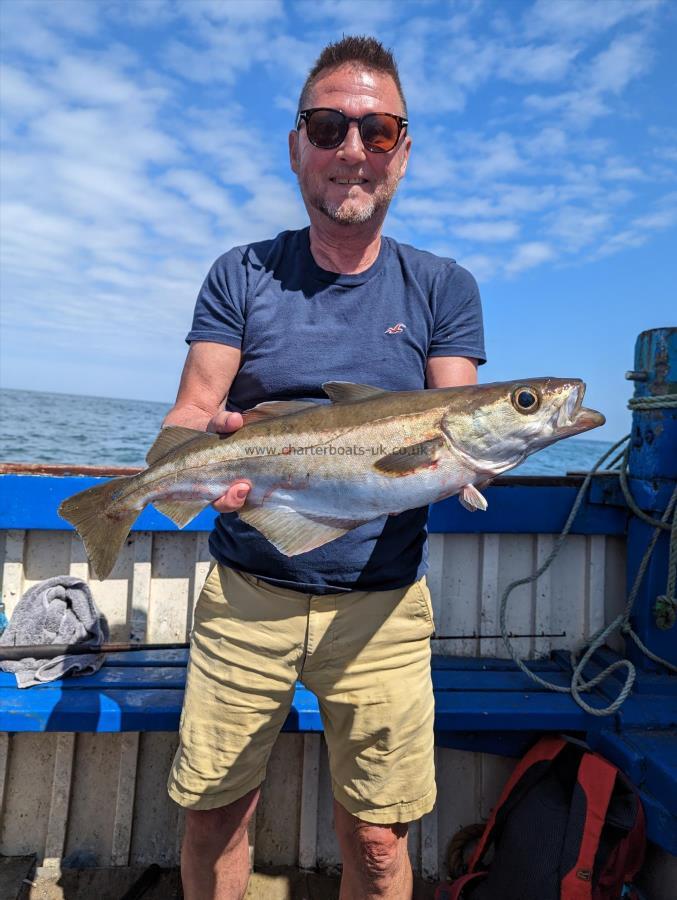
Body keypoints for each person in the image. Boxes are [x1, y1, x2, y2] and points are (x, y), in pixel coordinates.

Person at [164, 35, 485, 900]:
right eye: (328, 126)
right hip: (248, 595)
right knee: (212, 816)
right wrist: (198, 467)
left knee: (381, 845)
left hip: (381, 606)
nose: (353, 151)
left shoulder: (442, 287)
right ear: (296, 144)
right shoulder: (242, 273)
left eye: (377, 132)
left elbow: (453, 421)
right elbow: (194, 416)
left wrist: (486, 449)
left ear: (403, 151)